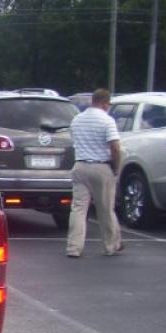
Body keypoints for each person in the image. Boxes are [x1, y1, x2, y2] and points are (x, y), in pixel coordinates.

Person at [66, 88, 122, 257]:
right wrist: (116, 168)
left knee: (78, 209)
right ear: (105, 103)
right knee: (105, 209)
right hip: (101, 167)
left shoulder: (77, 120)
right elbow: (115, 147)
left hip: (80, 165)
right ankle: (111, 245)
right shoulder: (107, 121)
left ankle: (74, 248)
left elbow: (74, 141)